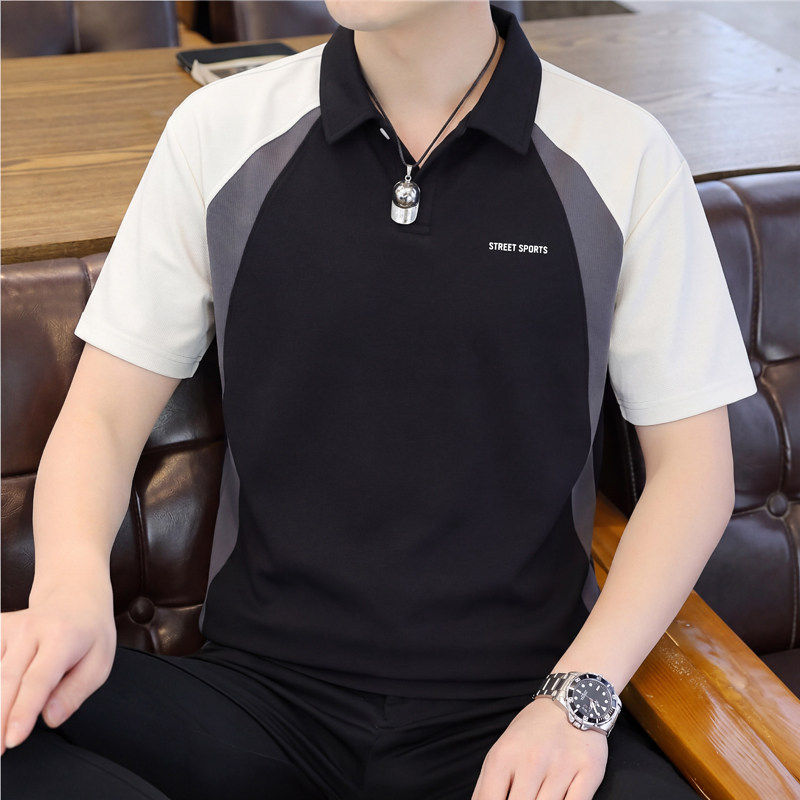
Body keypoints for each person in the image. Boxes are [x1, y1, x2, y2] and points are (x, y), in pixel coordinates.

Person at [1, 1, 756, 798]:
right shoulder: (219, 132)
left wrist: (578, 699)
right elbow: (103, 416)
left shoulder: (625, 155)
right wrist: (69, 591)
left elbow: (694, 473)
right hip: (257, 702)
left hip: (515, 710)